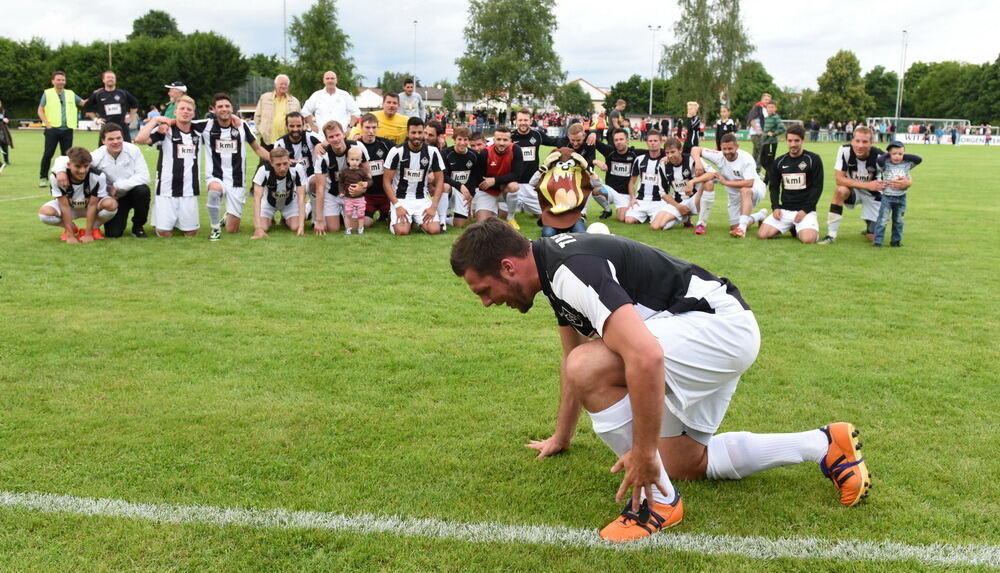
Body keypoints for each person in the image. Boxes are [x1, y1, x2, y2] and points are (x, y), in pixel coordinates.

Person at [450, 218, 872, 542]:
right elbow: (570, 359)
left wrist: (643, 451)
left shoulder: (569, 270)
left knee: (591, 367)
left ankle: (659, 503)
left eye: (483, 290)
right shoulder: (550, 268)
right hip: (705, 329)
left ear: (508, 267)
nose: (488, 303)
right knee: (684, 463)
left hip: (715, 330)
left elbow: (645, 357)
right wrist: (562, 436)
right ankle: (823, 444)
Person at [53, 122, 150, 238]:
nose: (116, 142)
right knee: (113, 234)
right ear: (103, 141)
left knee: (143, 190)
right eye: (111, 139)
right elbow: (65, 159)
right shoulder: (98, 155)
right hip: (114, 198)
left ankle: (138, 226)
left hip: (132, 192)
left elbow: (144, 176)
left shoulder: (133, 150)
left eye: (119, 138)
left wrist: (118, 186)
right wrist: (60, 171)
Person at [134, 95, 207, 237]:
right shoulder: (165, 131)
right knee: (165, 234)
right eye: (182, 109)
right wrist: (155, 120)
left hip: (189, 189)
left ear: (193, 113)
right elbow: (140, 139)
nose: (185, 112)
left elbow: (220, 121)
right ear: (175, 111)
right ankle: (164, 223)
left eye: (189, 109)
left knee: (191, 233)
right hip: (166, 189)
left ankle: (180, 222)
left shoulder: (198, 130)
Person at [201, 93, 271, 240]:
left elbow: (257, 148)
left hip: (237, 180)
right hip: (216, 176)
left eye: (227, 106)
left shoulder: (242, 126)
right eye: (220, 106)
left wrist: (275, 160)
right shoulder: (206, 126)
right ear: (213, 109)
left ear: (232, 108)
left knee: (232, 230)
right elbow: (184, 123)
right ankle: (215, 230)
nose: (224, 109)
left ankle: (226, 217)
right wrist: (163, 121)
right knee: (214, 190)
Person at [818, 126, 888, 244]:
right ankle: (831, 234)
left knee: (873, 238)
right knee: (840, 190)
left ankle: (869, 224)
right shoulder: (845, 150)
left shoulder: (880, 156)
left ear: (871, 143)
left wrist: (907, 182)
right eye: (857, 141)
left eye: (865, 142)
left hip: (873, 194)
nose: (860, 146)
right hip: (853, 191)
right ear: (852, 141)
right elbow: (839, 179)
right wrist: (867, 185)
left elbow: (897, 173)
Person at [691, 134, 768, 238]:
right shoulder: (719, 156)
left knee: (745, 190)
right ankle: (760, 215)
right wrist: (698, 162)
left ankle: (742, 229)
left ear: (737, 147)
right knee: (734, 226)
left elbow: (749, 183)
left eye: (730, 148)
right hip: (734, 196)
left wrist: (725, 182)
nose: (727, 152)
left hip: (755, 189)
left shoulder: (746, 159)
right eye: (724, 149)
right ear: (721, 148)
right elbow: (695, 149)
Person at [757, 125, 823, 243]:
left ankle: (798, 228)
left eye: (796, 140)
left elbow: (817, 188)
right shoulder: (779, 162)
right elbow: (774, 187)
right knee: (762, 235)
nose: (793, 144)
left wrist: (805, 210)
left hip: (805, 211)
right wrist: (776, 207)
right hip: (785, 210)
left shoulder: (813, 159)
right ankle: (791, 226)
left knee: (808, 240)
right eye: (790, 140)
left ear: (803, 140)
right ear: (786, 141)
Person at [37, 146, 118, 242]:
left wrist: (88, 234)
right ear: (69, 164)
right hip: (69, 208)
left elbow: (92, 205)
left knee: (111, 204)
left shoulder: (98, 176)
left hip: (90, 207)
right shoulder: (57, 177)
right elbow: (64, 206)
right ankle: (70, 228)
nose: (82, 171)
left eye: (86, 166)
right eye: (78, 166)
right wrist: (70, 235)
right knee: (44, 214)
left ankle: (93, 229)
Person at [382, 116, 444, 235]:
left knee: (435, 230)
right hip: (401, 199)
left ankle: (416, 220)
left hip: (422, 199)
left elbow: (440, 180)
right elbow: (386, 182)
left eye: (420, 132)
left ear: (424, 133)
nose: (416, 136)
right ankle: (396, 216)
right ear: (407, 133)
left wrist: (433, 206)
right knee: (402, 232)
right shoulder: (396, 151)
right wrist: (397, 205)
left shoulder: (433, 152)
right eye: (413, 132)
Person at [650, 137, 716, 233]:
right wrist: (678, 207)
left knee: (709, 183)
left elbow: (713, 174)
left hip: (696, 200)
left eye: (673, 152)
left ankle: (701, 224)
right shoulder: (663, 165)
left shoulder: (691, 160)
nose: (670, 156)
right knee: (656, 227)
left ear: (680, 150)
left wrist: (692, 182)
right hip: (678, 202)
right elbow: (663, 193)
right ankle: (685, 218)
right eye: (667, 153)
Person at [314, 120, 369, 234]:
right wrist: (319, 220)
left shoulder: (357, 147)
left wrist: (361, 188)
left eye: (338, 135)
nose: (335, 139)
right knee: (333, 229)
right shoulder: (323, 157)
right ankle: (316, 212)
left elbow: (367, 174)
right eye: (331, 137)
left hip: (352, 194)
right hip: (332, 193)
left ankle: (345, 214)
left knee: (354, 228)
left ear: (344, 134)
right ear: (327, 139)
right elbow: (320, 189)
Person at [38, 71, 84, 187]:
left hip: (67, 129)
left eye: (63, 80)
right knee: (48, 154)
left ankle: (67, 177)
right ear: (53, 81)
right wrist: (47, 124)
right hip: (52, 129)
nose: (61, 82)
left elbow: (83, 103)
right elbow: (40, 110)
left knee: (67, 156)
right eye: (58, 79)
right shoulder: (47, 93)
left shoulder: (70, 93)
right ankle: (43, 177)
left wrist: (95, 95)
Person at [250, 147, 307, 239]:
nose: (282, 168)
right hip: (268, 203)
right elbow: (257, 200)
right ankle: (269, 219)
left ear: (289, 160)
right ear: (271, 163)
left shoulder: (297, 168)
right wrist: (258, 228)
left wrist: (301, 227)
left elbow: (301, 198)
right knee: (263, 227)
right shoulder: (263, 170)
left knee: (295, 227)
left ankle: (286, 219)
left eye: (285, 163)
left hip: (289, 203)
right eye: (278, 165)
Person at [873, 141, 922, 248]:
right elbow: (879, 160)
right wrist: (888, 154)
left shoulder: (906, 164)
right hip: (887, 197)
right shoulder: (886, 163)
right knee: (883, 219)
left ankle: (896, 241)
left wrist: (903, 155)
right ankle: (878, 241)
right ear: (889, 154)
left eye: (900, 154)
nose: (897, 157)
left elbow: (919, 159)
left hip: (901, 197)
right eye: (894, 154)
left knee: (899, 220)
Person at [354, 113, 397, 227]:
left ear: (378, 128)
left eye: (374, 127)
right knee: (364, 223)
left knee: (394, 221)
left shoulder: (386, 144)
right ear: (361, 127)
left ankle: (386, 214)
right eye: (367, 128)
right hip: (367, 195)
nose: (371, 131)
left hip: (386, 194)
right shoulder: (355, 146)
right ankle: (373, 216)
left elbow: (404, 149)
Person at [473, 126, 523, 222]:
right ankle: (492, 208)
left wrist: (495, 180)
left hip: (505, 190)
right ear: (494, 139)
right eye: (498, 139)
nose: (501, 143)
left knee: (514, 186)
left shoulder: (516, 150)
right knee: (483, 223)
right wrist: (499, 184)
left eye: (505, 140)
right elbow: (480, 179)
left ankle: (511, 218)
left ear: (510, 140)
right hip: (488, 191)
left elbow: (517, 175)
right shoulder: (485, 153)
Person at [594, 128, 643, 222]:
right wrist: (595, 161)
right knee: (597, 190)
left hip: (625, 194)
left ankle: (639, 212)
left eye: (621, 139)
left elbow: (653, 152)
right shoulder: (610, 151)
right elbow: (595, 143)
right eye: (616, 140)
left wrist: (665, 156)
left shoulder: (634, 153)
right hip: (610, 191)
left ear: (627, 140)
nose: (618, 142)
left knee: (622, 218)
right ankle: (607, 210)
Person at [623, 130, 668, 227]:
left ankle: (650, 216)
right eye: (650, 141)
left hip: (659, 201)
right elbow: (632, 182)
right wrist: (632, 198)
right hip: (641, 200)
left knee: (659, 224)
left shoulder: (667, 160)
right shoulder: (639, 159)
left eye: (655, 141)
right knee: (628, 220)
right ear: (647, 143)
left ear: (660, 142)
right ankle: (646, 216)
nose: (653, 143)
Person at [441, 126, 482, 229]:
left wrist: (471, 193)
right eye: (459, 139)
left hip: (463, 191)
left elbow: (474, 176)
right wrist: (460, 186)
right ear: (454, 140)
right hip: (451, 188)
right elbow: (443, 176)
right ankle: (441, 219)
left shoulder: (473, 155)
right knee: (445, 186)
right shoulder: (445, 154)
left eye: (465, 139)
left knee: (460, 224)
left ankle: (446, 218)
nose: (462, 143)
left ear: (469, 140)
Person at [83, 71, 139, 143]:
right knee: (104, 151)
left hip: (122, 128)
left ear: (115, 80)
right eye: (108, 77)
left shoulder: (122, 93)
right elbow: (87, 107)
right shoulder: (98, 94)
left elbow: (135, 103)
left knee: (127, 150)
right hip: (106, 128)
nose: (110, 79)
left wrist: (131, 117)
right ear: (103, 80)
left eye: (112, 77)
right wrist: (96, 119)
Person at [252, 74, 301, 150]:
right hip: (267, 141)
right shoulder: (264, 98)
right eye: (281, 84)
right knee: (265, 161)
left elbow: (299, 120)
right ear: (275, 84)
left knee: (287, 161)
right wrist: (260, 131)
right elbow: (257, 116)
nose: (283, 86)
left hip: (287, 141)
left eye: (285, 84)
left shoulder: (295, 101)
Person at [338, 147, 372, 235]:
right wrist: (341, 192)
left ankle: (361, 228)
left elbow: (370, 180)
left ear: (360, 160)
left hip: (360, 198)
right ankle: (347, 229)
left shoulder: (362, 171)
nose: (354, 162)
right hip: (348, 198)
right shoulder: (344, 172)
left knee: (360, 214)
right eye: (352, 159)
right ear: (348, 160)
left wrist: (366, 184)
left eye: (357, 160)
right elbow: (341, 183)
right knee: (348, 214)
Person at [759, 101, 785, 182]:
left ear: (775, 108)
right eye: (769, 107)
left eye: (772, 107)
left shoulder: (776, 117)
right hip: (765, 142)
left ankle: (767, 181)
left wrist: (774, 134)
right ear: (766, 108)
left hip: (771, 143)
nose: (770, 109)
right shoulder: (767, 118)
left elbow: (783, 129)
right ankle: (773, 175)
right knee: (762, 161)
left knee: (769, 162)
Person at [745, 92, 771, 171]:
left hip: (761, 134)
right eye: (765, 99)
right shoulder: (757, 107)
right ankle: (757, 171)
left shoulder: (765, 109)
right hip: (756, 133)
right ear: (761, 99)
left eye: (768, 100)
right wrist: (757, 130)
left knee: (756, 153)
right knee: (762, 152)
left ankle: (751, 170)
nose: (767, 101)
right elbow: (751, 119)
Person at [0, 99, 13, 171]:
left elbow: (7, 120)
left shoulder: (4, 111)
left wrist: (6, 120)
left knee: (5, 146)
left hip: (3, 131)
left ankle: (6, 161)